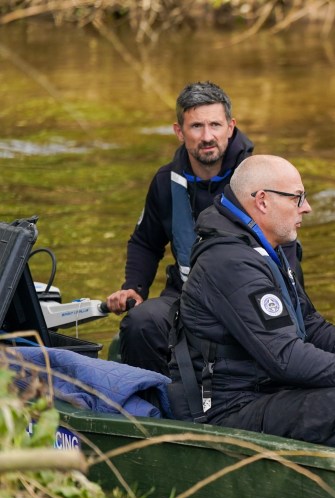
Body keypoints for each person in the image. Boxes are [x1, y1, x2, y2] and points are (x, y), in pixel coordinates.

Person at [168, 155, 335, 456]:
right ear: (262, 201)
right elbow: (285, 357)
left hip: (266, 388)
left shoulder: (264, 248)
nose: (306, 208)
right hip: (226, 409)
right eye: (297, 198)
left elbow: (309, 323)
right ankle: (330, 494)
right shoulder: (230, 262)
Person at [106, 81, 300, 376]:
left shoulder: (259, 180)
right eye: (196, 126)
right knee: (140, 323)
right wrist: (134, 286)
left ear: (231, 127)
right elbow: (145, 242)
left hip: (247, 299)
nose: (207, 136)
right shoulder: (165, 182)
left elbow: (286, 248)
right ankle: (156, 409)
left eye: (215, 125)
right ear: (179, 131)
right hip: (186, 298)